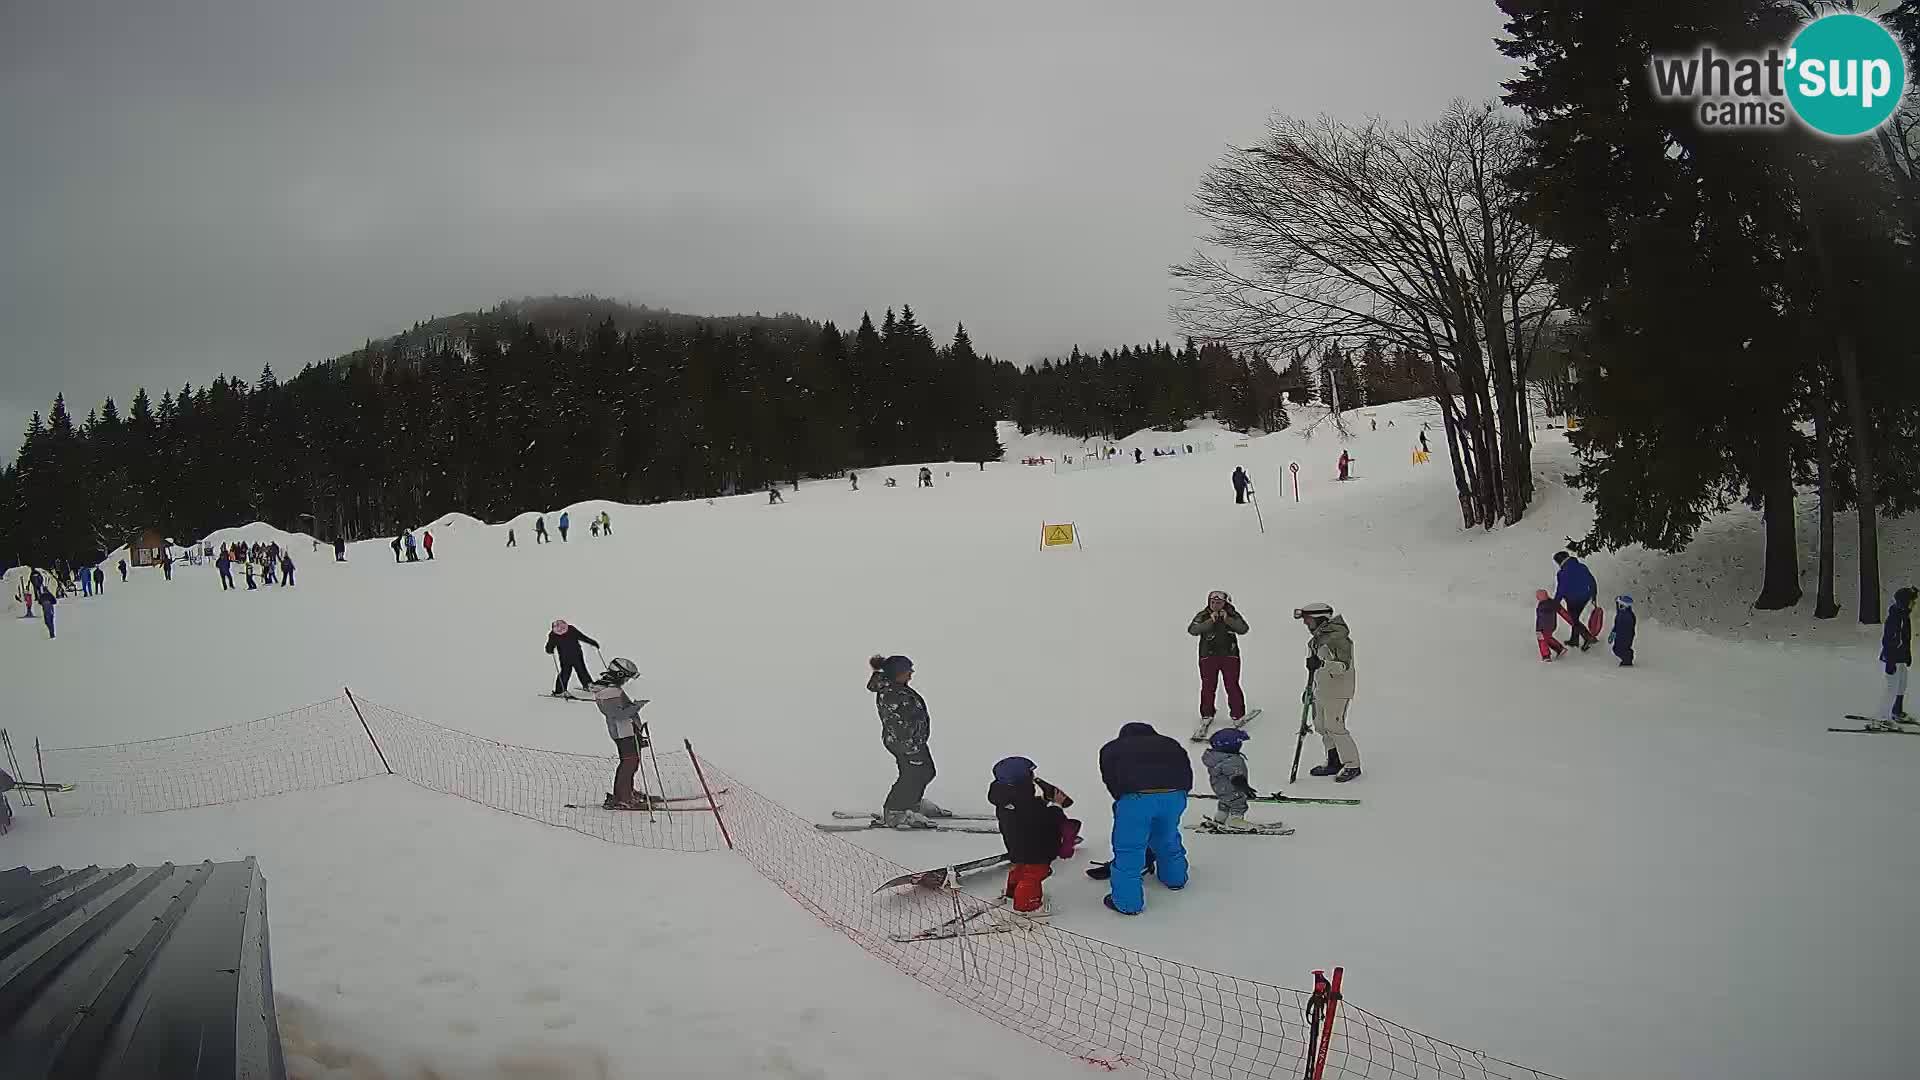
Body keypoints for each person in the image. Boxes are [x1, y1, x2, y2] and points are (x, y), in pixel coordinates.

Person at [1097, 722, 1192, 915]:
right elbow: (1186, 771)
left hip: (1136, 799)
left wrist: (1124, 798)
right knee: (1167, 836)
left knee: (1129, 848)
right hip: (1174, 796)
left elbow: (1110, 778)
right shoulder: (1170, 744)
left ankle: (1127, 903)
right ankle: (1175, 878)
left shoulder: (1113, 748)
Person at [988, 757, 1077, 915]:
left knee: (1020, 867)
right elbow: (1048, 818)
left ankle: (1011, 892)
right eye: (1030, 774)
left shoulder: (1004, 797)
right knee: (1034, 875)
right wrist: (1056, 805)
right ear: (1021, 779)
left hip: (1016, 845)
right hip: (1037, 848)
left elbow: (1026, 809)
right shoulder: (1024, 802)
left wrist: (1042, 801)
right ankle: (1027, 906)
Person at [867, 654, 947, 828]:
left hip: (913, 742)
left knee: (925, 772)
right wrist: (909, 746)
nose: (911, 673)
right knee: (913, 776)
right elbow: (896, 724)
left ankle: (911, 803)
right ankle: (895, 811)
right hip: (904, 743)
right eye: (907, 670)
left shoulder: (897, 687)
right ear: (896, 673)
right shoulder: (891, 693)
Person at [1296, 602, 1361, 782]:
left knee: (1335, 728)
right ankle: (1334, 761)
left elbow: (1343, 666)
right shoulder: (1316, 640)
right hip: (1321, 690)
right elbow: (1314, 670)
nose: (1306, 624)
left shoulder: (1339, 639)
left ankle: (1352, 764)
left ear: (1320, 619)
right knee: (1322, 727)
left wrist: (1323, 664)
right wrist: (1309, 689)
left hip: (1338, 691)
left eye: (1308, 620)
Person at [589, 658, 652, 809]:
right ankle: (622, 797)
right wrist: (637, 706)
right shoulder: (608, 692)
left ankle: (627, 792)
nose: (626, 681)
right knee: (629, 763)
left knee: (632, 762)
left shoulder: (610, 689)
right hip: (623, 733)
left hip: (628, 731)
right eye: (626, 677)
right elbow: (618, 715)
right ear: (619, 675)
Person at [1190, 590, 1251, 737]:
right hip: (1208, 657)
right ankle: (1207, 714)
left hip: (1229, 655)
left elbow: (1243, 629)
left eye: (1218, 602)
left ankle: (1238, 714)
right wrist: (1210, 621)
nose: (1215, 605)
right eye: (1212, 602)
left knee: (1232, 684)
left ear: (1225, 603)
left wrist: (1227, 620)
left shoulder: (1232, 614)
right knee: (1208, 686)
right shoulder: (1203, 615)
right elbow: (1193, 629)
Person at [1202, 728, 1259, 831]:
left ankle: (1220, 818)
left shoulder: (1216, 757)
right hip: (1232, 788)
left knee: (1225, 802)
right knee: (1238, 803)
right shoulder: (1231, 760)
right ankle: (1235, 820)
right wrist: (1244, 787)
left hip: (1220, 788)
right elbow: (1236, 775)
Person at [1877, 586, 1915, 728]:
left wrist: (1907, 654)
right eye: (1912, 601)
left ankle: (1897, 711)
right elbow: (1888, 640)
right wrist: (1890, 660)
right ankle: (1881, 718)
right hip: (1892, 658)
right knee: (1891, 688)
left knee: (1901, 685)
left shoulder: (1904, 615)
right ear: (1904, 602)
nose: (1914, 604)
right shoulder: (1895, 618)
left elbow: (1905, 638)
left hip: (1901, 657)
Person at [1552, 551, 1598, 650]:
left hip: (1573, 600)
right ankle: (1574, 639)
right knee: (1575, 618)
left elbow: (1561, 589)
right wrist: (1594, 594)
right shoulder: (1582, 567)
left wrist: (1556, 602)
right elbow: (1592, 580)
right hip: (1585, 597)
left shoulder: (1562, 573)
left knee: (1574, 620)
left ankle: (1588, 637)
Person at [545, 619, 601, 696]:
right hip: (565, 657)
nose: (561, 631)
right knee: (565, 672)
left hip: (577, 654)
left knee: (581, 669)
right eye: (559, 630)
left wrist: (592, 642)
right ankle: (559, 691)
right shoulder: (553, 635)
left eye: (563, 628)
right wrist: (549, 649)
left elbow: (582, 637)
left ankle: (588, 685)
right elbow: (549, 645)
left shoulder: (571, 629)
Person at [1535, 590, 1568, 662]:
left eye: (1538, 596)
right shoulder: (1552, 603)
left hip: (1543, 627)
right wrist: (1571, 621)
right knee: (1548, 638)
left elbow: (1540, 618)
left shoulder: (1542, 606)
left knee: (1542, 640)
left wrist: (1538, 629)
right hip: (1551, 626)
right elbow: (1563, 612)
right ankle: (1560, 649)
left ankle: (1546, 656)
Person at [1610, 595, 1636, 667]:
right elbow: (1617, 624)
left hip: (1626, 636)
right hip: (1620, 635)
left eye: (1620, 604)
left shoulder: (1628, 616)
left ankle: (1627, 662)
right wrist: (1613, 633)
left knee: (1619, 649)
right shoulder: (1621, 612)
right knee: (1616, 649)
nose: (1619, 606)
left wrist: (1617, 633)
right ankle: (1628, 657)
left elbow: (1624, 627)